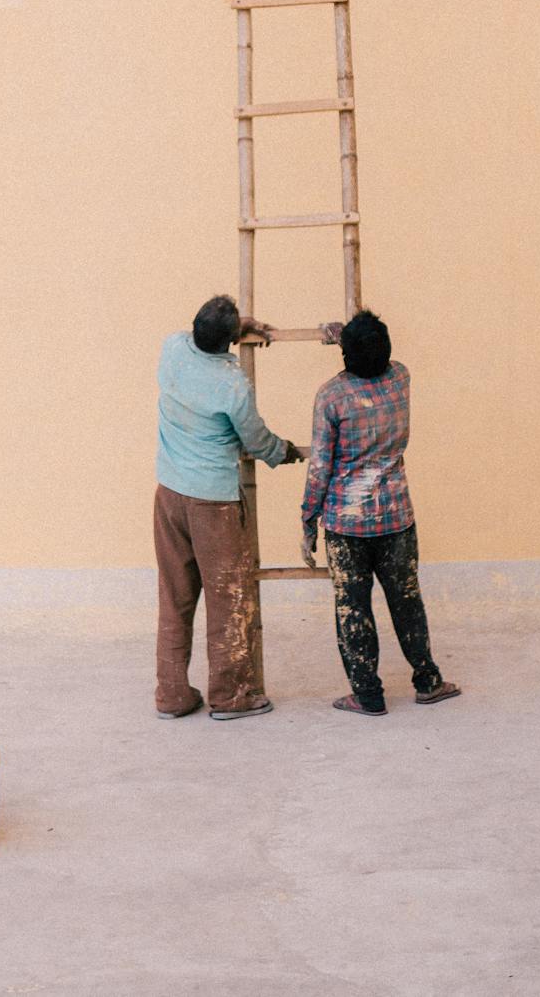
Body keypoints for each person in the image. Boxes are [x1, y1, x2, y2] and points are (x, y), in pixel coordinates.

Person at [154, 294, 307, 722]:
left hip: (168, 492)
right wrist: (284, 452)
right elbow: (256, 440)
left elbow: (192, 338)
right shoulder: (233, 383)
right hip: (212, 502)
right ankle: (231, 696)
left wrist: (232, 327)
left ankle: (171, 695)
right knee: (228, 598)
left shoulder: (172, 348)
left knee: (175, 596)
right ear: (228, 342)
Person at [301, 309, 461, 716]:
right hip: (396, 517)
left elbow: (320, 466)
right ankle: (427, 681)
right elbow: (375, 357)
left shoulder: (331, 397)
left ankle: (368, 694)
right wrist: (352, 340)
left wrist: (308, 521)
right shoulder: (401, 378)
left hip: (345, 522)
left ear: (345, 355)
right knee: (407, 601)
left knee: (353, 608)